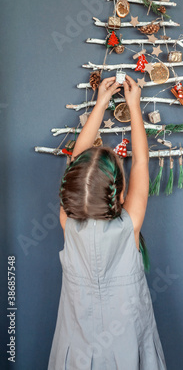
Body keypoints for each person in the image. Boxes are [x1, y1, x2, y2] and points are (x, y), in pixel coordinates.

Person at [48, 75, 167, 370]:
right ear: (120, 191)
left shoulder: (69, 223)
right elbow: (140, 161)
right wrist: (134, 106)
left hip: (76, 347)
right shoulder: (130, 224)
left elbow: (75, 162)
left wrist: (100, 104)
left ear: (71, 191)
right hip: (127, 345)